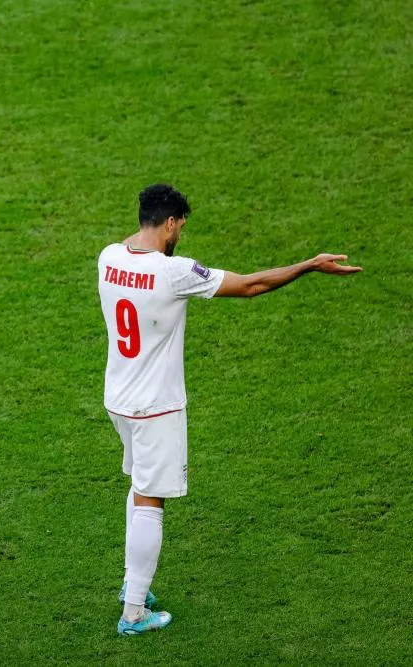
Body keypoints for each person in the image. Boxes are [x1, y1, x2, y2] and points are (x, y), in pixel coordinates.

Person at [98, 183, 361, 635]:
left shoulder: (108, 257)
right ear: (172, 223)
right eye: (180, 225)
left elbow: (137, 255)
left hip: (118, 401)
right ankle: (134, 612)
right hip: (156, 409)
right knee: (150, 500)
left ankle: (131, 587)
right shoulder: (173, 272)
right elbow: (252, 285)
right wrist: (309, 265)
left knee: (139, 486)